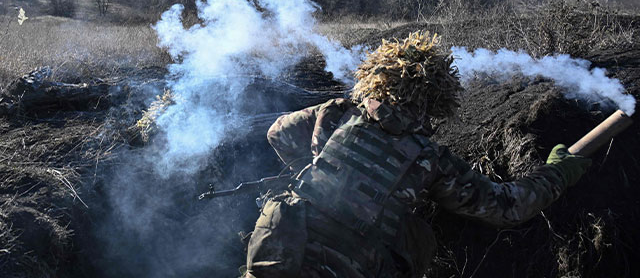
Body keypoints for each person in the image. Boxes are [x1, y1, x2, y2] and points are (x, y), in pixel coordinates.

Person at [241, 32, 591, 278]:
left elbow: (279, 133)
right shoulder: (430, 158)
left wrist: (319, 170)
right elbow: (508, 206)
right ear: (437, 103)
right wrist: (558, 172)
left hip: (279, 251)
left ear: (376, 79)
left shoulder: (336, 112)